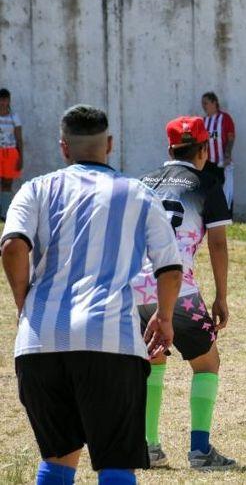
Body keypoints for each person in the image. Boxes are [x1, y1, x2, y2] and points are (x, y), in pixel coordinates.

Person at [1, 105, 182, 485]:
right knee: (116, 461)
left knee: (57, 458)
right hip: (110, 339)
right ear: (109, 144)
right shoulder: (138, 194)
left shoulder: (35, 188)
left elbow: (13, 246)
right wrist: (164, 317)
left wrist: (24, 304)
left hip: (40, 341)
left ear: (63, 147)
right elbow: (169, 267)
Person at [129, 116, 235, 470]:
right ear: (204, 150)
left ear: (169, 148)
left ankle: (148, 446)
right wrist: (221, 296)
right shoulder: (207, 184)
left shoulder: (144, 182)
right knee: (207, 363)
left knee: (152, 359)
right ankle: (200, 450)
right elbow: (217, 244)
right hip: (178, 289)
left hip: (136, 288)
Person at [201, 92, 235, 212]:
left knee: (223, 192)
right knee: (208, 192)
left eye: (206, 103)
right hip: (206, 163)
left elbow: (231, 138)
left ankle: (225, 215)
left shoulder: (225, 118)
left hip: (221, 163)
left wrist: (227, 155)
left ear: (214, 102)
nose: (203, 106)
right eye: (202, 103)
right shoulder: (203, 121)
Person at [0, 88, 23, 220]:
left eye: (5, 100)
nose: (2, 103)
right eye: (0, 100)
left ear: (8, 101)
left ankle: (4, 214)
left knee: (7, 183)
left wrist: (21, 157)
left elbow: (19, 138)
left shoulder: (14, 117)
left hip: (11, 152)